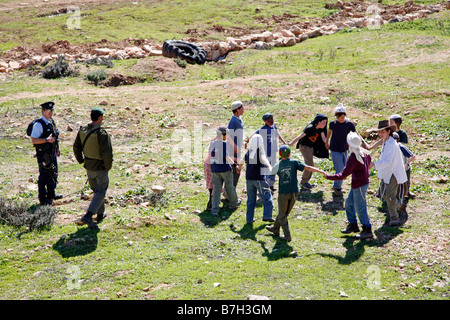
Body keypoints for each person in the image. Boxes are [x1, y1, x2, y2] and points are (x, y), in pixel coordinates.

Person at [266, 145, 325, 241]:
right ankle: (275, 228)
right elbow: (307, 167)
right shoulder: (294, 162)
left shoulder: (278, 165)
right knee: (284, 213)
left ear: (280, 155)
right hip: (294, 192)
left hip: (283, 193)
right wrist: (320, 171)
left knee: (282, 214)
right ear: (289, 154)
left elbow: (270, 173)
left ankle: (287, 236)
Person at [325, 132, 373, 240]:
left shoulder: (353, 157)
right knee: (349, 203)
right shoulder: (363, 153)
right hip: (359, 183)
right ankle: (353, 225)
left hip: (359, 185)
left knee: (360, 208)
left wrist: (329, 177)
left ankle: (367, 229)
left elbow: (343, 174)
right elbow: (368, 162)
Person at [73, 107, 113, 230]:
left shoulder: (83, 130)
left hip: (89, 166)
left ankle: (100, 215)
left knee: (96, 191)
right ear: (100, 117)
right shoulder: (102, 133)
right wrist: (108, 166)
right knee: (101, 191)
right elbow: (107, 153)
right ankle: (89, 215)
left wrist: (81, 160)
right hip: (100, 167)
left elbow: (76, 147)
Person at [369, 120, 407, 227]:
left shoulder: (391, 143)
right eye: (379, 132)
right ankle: (399, 205)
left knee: (390, 196)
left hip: (393, 172)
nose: (380, 134)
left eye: (383, 132)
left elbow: (387, 161)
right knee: (384, 194)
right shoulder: (386, 141)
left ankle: (395, 218)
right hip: (387, 172)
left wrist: (373, 164)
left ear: (388, 131)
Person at [30, 101, 62, 206]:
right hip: (43, 154)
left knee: (53, 173)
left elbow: (55, 136)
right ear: (43, 111)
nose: (50, 113)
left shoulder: (51, 121)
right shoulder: (39, 124)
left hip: (51, 152)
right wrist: (46, 140)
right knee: (44, 175)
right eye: (48, 110)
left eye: (51, 110)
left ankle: (51, 194)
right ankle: (43, 198)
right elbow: (34, 140)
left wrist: (57, 147)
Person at [247, 113, 287, 193]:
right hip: (266, 152)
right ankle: (266, 186)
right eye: (269, 120)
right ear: (265, 121)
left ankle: (271, 185)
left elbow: (278, 134)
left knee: (274, 169)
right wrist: (247, 140)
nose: (271, 121)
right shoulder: (263, 129)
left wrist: (284, 142)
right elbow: (255, 133)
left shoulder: (274, 127)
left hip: (273, 152)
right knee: (267, 170)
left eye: (272, 119)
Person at [325, 103, 359, 196]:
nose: (341, 119)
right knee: (339, 168)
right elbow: (329, 132)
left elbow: (356, 134)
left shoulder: (349, 124)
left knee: (344, 168)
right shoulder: (333, 123)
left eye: (343, 117)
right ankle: (337, 187)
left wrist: (360, 143)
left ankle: (337, 185)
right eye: (339, 117)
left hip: (345, 149)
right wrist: (327, 141)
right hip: (335, 149)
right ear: (336, 116)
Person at [239, 134, 274, 224]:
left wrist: (238, 169)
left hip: (249, 179)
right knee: (267, 196)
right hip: (259, 178)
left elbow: (242, 161)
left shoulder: (249, 151)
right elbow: (263, 158)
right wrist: (269, 166)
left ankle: (249, 219)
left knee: (251, 199)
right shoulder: (260, 151)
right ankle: (267, 216)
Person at [289, 113, 328, 190]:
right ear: (318, 121)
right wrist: (290, 144)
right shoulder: (310, 128)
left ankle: (305, 181)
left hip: (311, 147)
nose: (325, 124)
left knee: (310, 164)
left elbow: (323, 138)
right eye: (323, 122)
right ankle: (304, 182)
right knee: (310, 164)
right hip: (304, 147)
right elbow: (300, 136)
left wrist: (328, 145)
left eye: (326, 122)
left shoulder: (321, 129)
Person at [209, 126, 241, 216]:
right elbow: (226, 157)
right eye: (226, 135)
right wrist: (235, 165)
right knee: (229, 187)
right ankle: (234, 203)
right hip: (225, 169)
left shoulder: (212, 143)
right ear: (222, 135)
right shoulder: (223, 144)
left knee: (216, 189)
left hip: (215, 169)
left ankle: (214, 209)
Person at [393, 132, 415, 207]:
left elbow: (412, 156)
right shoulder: (388, 147)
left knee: (405, 183)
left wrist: (406, 164)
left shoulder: (401, 147)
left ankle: (405, 195)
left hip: (405, 169)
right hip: (396, 170)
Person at [227, 100, 245, 190]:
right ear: (237, 110)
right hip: (232, 150)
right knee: (235, 170)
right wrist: (235, 147)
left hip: (236, 149)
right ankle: (229, 191)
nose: (244, 109)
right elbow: (228, 136)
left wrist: (242, 143)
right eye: (242, 108)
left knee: (236, 170)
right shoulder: (233, 121)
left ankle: (230, 190)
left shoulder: (239, 119)